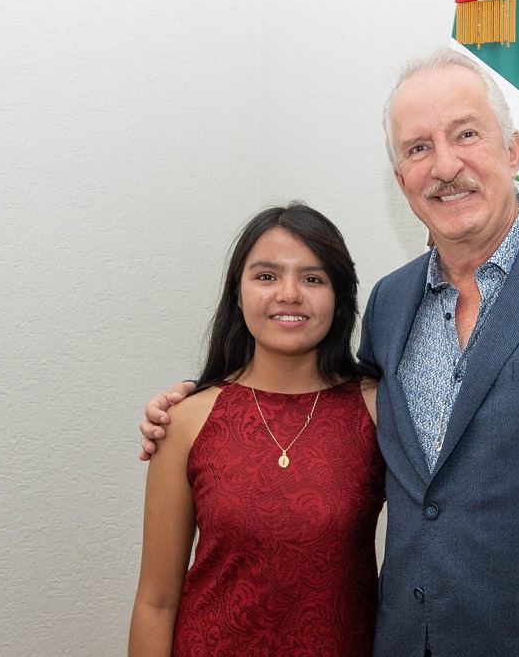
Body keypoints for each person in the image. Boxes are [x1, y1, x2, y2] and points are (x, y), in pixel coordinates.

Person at [141, 48, 519, 656]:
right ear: (401, 180)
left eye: (465, 134)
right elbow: (324, 418)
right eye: (417, 148)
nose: (444, 165)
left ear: (513, 149)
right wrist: (191, 407)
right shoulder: (391, 303)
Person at [129, 204, 384, 656]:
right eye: (266, 276)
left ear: (340, 297)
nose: (289, 294)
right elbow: (156, 601)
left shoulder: (377, 411)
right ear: (238, 293)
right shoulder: (185, 420)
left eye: (313, 278)